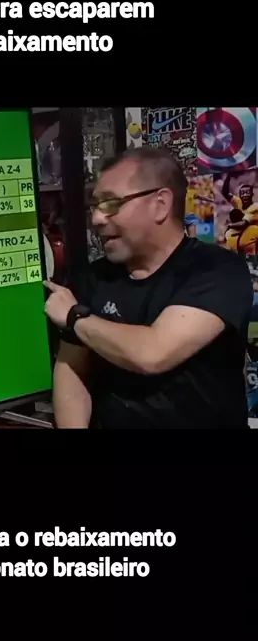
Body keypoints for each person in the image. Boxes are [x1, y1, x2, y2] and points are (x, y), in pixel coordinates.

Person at [44, 146, 253, 429]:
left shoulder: (217, 270)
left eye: (111, 203)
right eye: (94, 205)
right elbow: (72, 369)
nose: (97, 219)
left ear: (160, 204)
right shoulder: (94, 278)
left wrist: (74, 317)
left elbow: (153, 354)